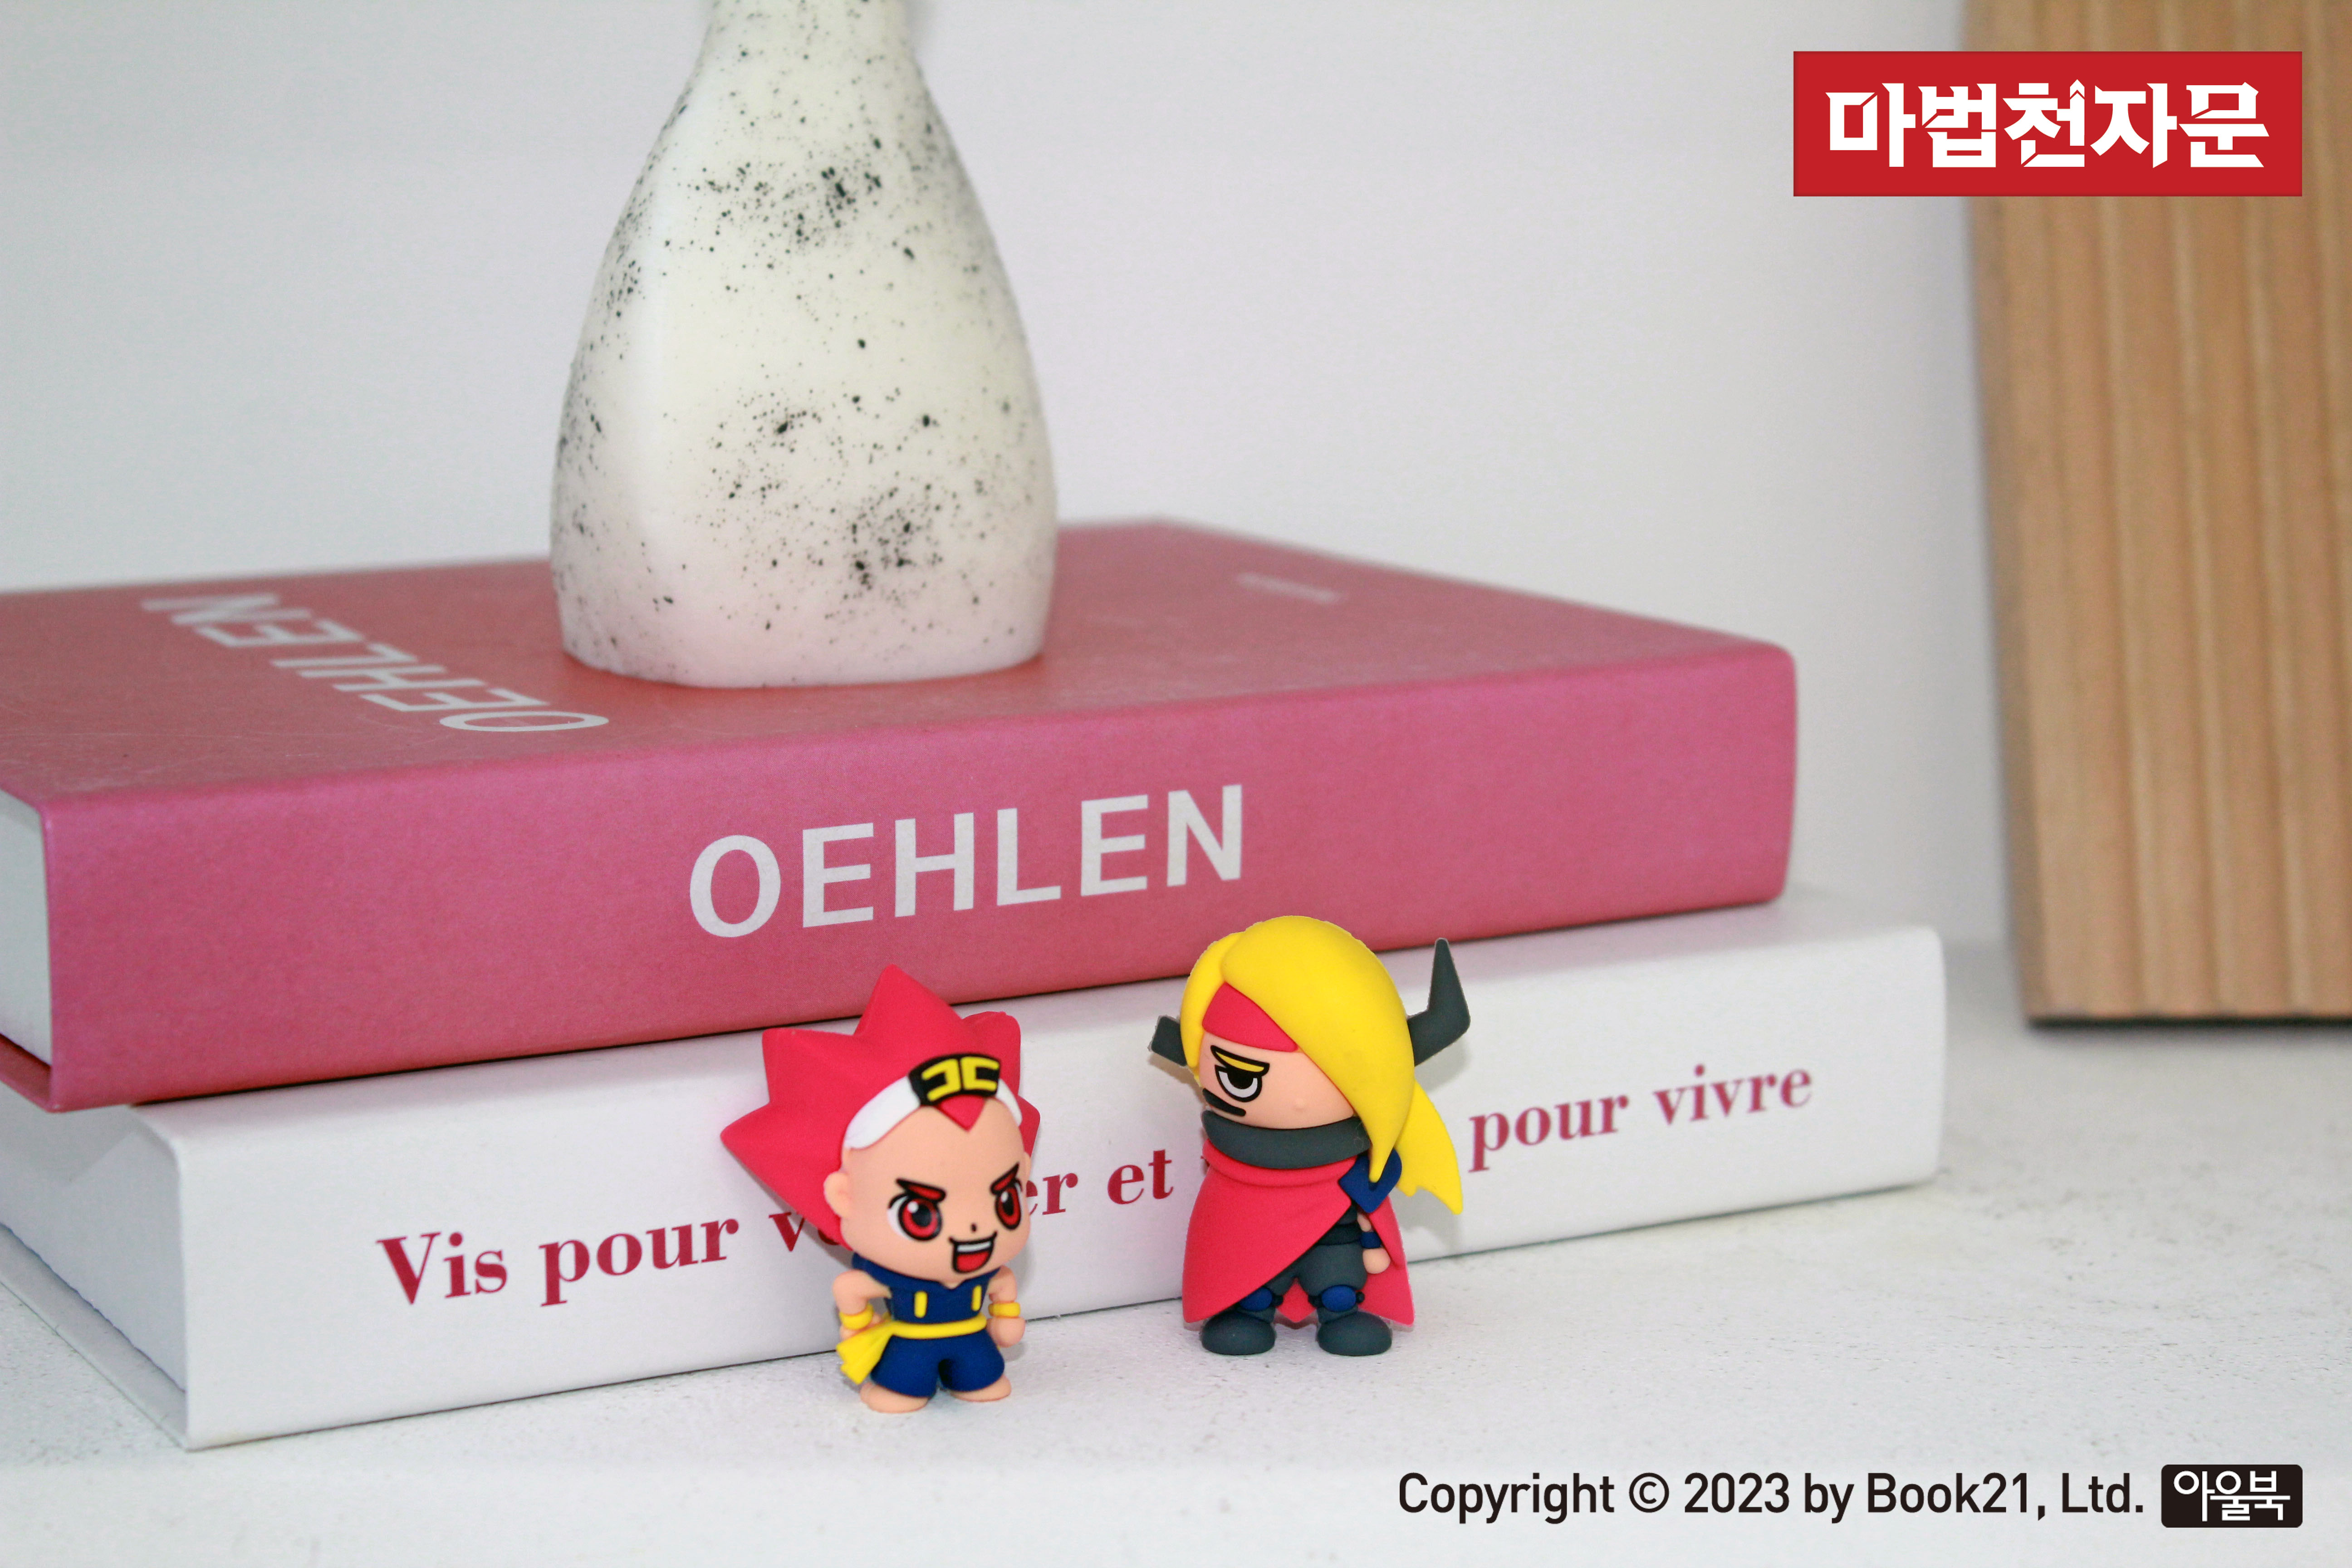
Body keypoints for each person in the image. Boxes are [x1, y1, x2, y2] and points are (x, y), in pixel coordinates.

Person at [725, 966, 1040, 1411]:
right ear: (845, 1198)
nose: (975, 1227)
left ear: (1023, 1175)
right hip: (908, 1347)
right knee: (903, 1386)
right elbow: (852, 1287)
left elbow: (1002, 1282)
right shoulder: (892, 1273)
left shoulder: (986, 1271)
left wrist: (1006, 1314)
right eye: (921, 1213)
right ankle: (906, 1389)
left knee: (984, 1377)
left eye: (1005, 1201)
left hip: (975, 1342)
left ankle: (970, 1380)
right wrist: (857, 1324)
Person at [1150, 916, 1466, 1356]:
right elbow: (1218, 1235)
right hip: (1249, 1235)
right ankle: (1249, 1311)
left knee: (1337, 1283)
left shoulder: (1356, 1160)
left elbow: (1368, 1205)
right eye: (1235, 1074)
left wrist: (1371, 1240)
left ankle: (1340, 1312)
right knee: (1249, 1279)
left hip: (1336, 1243)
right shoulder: (1230, 1160)